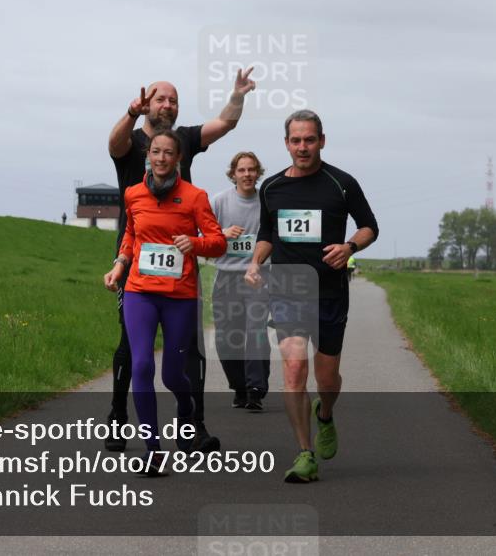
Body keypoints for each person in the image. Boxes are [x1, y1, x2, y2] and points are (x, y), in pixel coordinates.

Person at [105, 69, 256, 453]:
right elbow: (114, 143)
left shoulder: (186, 138)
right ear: (148, 104)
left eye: (173, 100)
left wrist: (237, 95)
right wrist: (131, 113)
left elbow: (225, 122)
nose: (167, 104)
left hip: (182, 264)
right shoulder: (134, 139)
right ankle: (119, 419)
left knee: (187, 349)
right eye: (160, 98)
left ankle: (192, 427)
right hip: (136, 257)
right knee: (131, 348)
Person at [244, 110, 378, 483]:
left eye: (309, 140)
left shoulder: (341, 184)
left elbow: (370, 227)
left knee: (328, 378)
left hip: (330, 293)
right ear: (286, 143)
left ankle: (325, 414)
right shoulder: (271, 188)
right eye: (295, 140)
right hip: (287, 291)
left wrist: (349, 246)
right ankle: (305, 454)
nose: (302, 147)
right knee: (292, 370)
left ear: (322, 140)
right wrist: (256, 263)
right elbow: (267, 234)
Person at [104, 130, 226, 473]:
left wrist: (195, 243)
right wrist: (119, 265)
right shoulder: (134, 194)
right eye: (155, 152)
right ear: (148, 155)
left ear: (178, 158)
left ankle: (185, 407)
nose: (160, 158)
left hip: (179, 297)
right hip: (140, 292)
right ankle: (153, 449)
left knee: (174, 375)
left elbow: (217, 242)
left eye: (167, 153)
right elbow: (130, 235)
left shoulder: (194, 196)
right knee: (141, 365)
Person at [211, 152, 270, 412]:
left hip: (258, 276)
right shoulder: (220, 201)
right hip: (226, 276)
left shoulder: (266, 202)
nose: (247, 174)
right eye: (242, 170)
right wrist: (221, 234)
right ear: (233, 173)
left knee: (255, 332)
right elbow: (203, 234)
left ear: (258, 173)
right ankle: (239, 386)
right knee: (227, 337)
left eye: (252, 170)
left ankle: (256, 388)